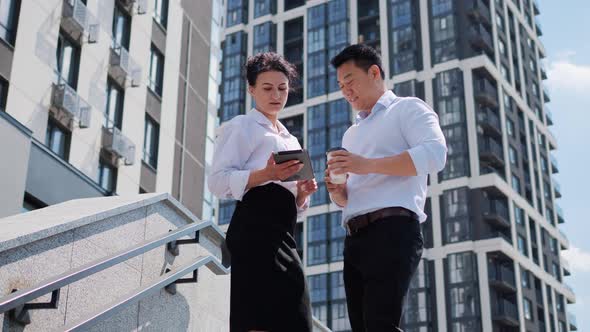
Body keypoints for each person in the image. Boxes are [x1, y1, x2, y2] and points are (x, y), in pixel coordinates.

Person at [325, 44, 447, 331]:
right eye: (341, 85)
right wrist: (335, 190)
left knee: (381, 324)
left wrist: (363, 164)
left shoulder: (407, 108)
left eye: (350, 80)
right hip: (354, 237)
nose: (346, 90)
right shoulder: (351, 133)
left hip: (393, 229)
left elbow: (434, 154)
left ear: (374, 72)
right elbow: (349, 197)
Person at [208, 52, 317, 332]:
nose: (276, 95)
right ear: (251, 89)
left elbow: (289, 197)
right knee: (257, 319)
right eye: (267, 88)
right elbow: (218, 182)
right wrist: (267, 174)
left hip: (285, 233)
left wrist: (301, 195)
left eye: (282, 88)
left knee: (296, 315)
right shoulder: (241, 126)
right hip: (254, 230)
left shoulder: (290, 138)